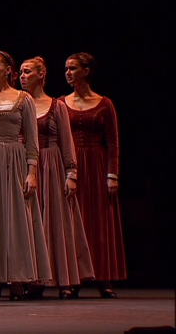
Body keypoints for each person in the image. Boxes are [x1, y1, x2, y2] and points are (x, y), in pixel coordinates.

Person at [19, 57, 94, 299]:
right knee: (31, 223)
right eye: (20, 72)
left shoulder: (56, 106)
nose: (22, 76)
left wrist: (71, 173)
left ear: (41, 75)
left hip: (51, 166)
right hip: (26, 166)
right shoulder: (18, 104)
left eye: (27, 72)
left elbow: (66, 141)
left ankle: (65, 279)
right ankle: (35, 279)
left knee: (57, 223)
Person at [0, 50, 51, 300]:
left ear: (8, 70)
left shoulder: (23, 99)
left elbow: (32, 140)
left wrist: (32, 172)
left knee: (15, 219)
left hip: (14, 160)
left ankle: (18, 278)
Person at [61, 52, 125, 297]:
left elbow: (114, 142)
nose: (68, 73)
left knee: (98, 222)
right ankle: (72, 278)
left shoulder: (104, 103)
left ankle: (103, 277)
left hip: (96, 165)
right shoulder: (61, 103)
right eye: (66, 69)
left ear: (86, 71)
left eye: (73, 68)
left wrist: (113, 174)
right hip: (71, 164)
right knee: (72, 221)